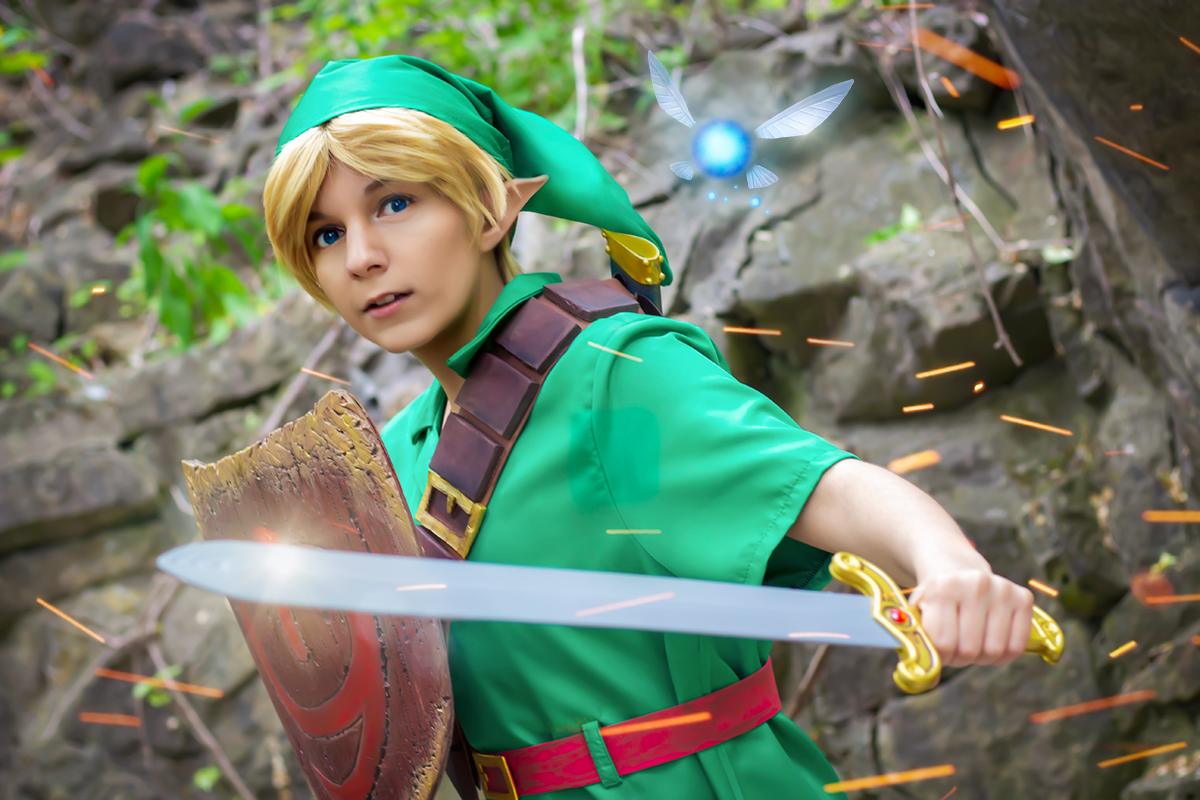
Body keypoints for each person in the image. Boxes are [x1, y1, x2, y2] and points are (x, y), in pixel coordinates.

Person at [262, 55, 1036, 800]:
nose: (362, 256)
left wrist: (948, 566)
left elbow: (827, 485)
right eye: (326, 234)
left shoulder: (613, 375)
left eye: (395, 204)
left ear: (492, 206)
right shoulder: (393, 460)